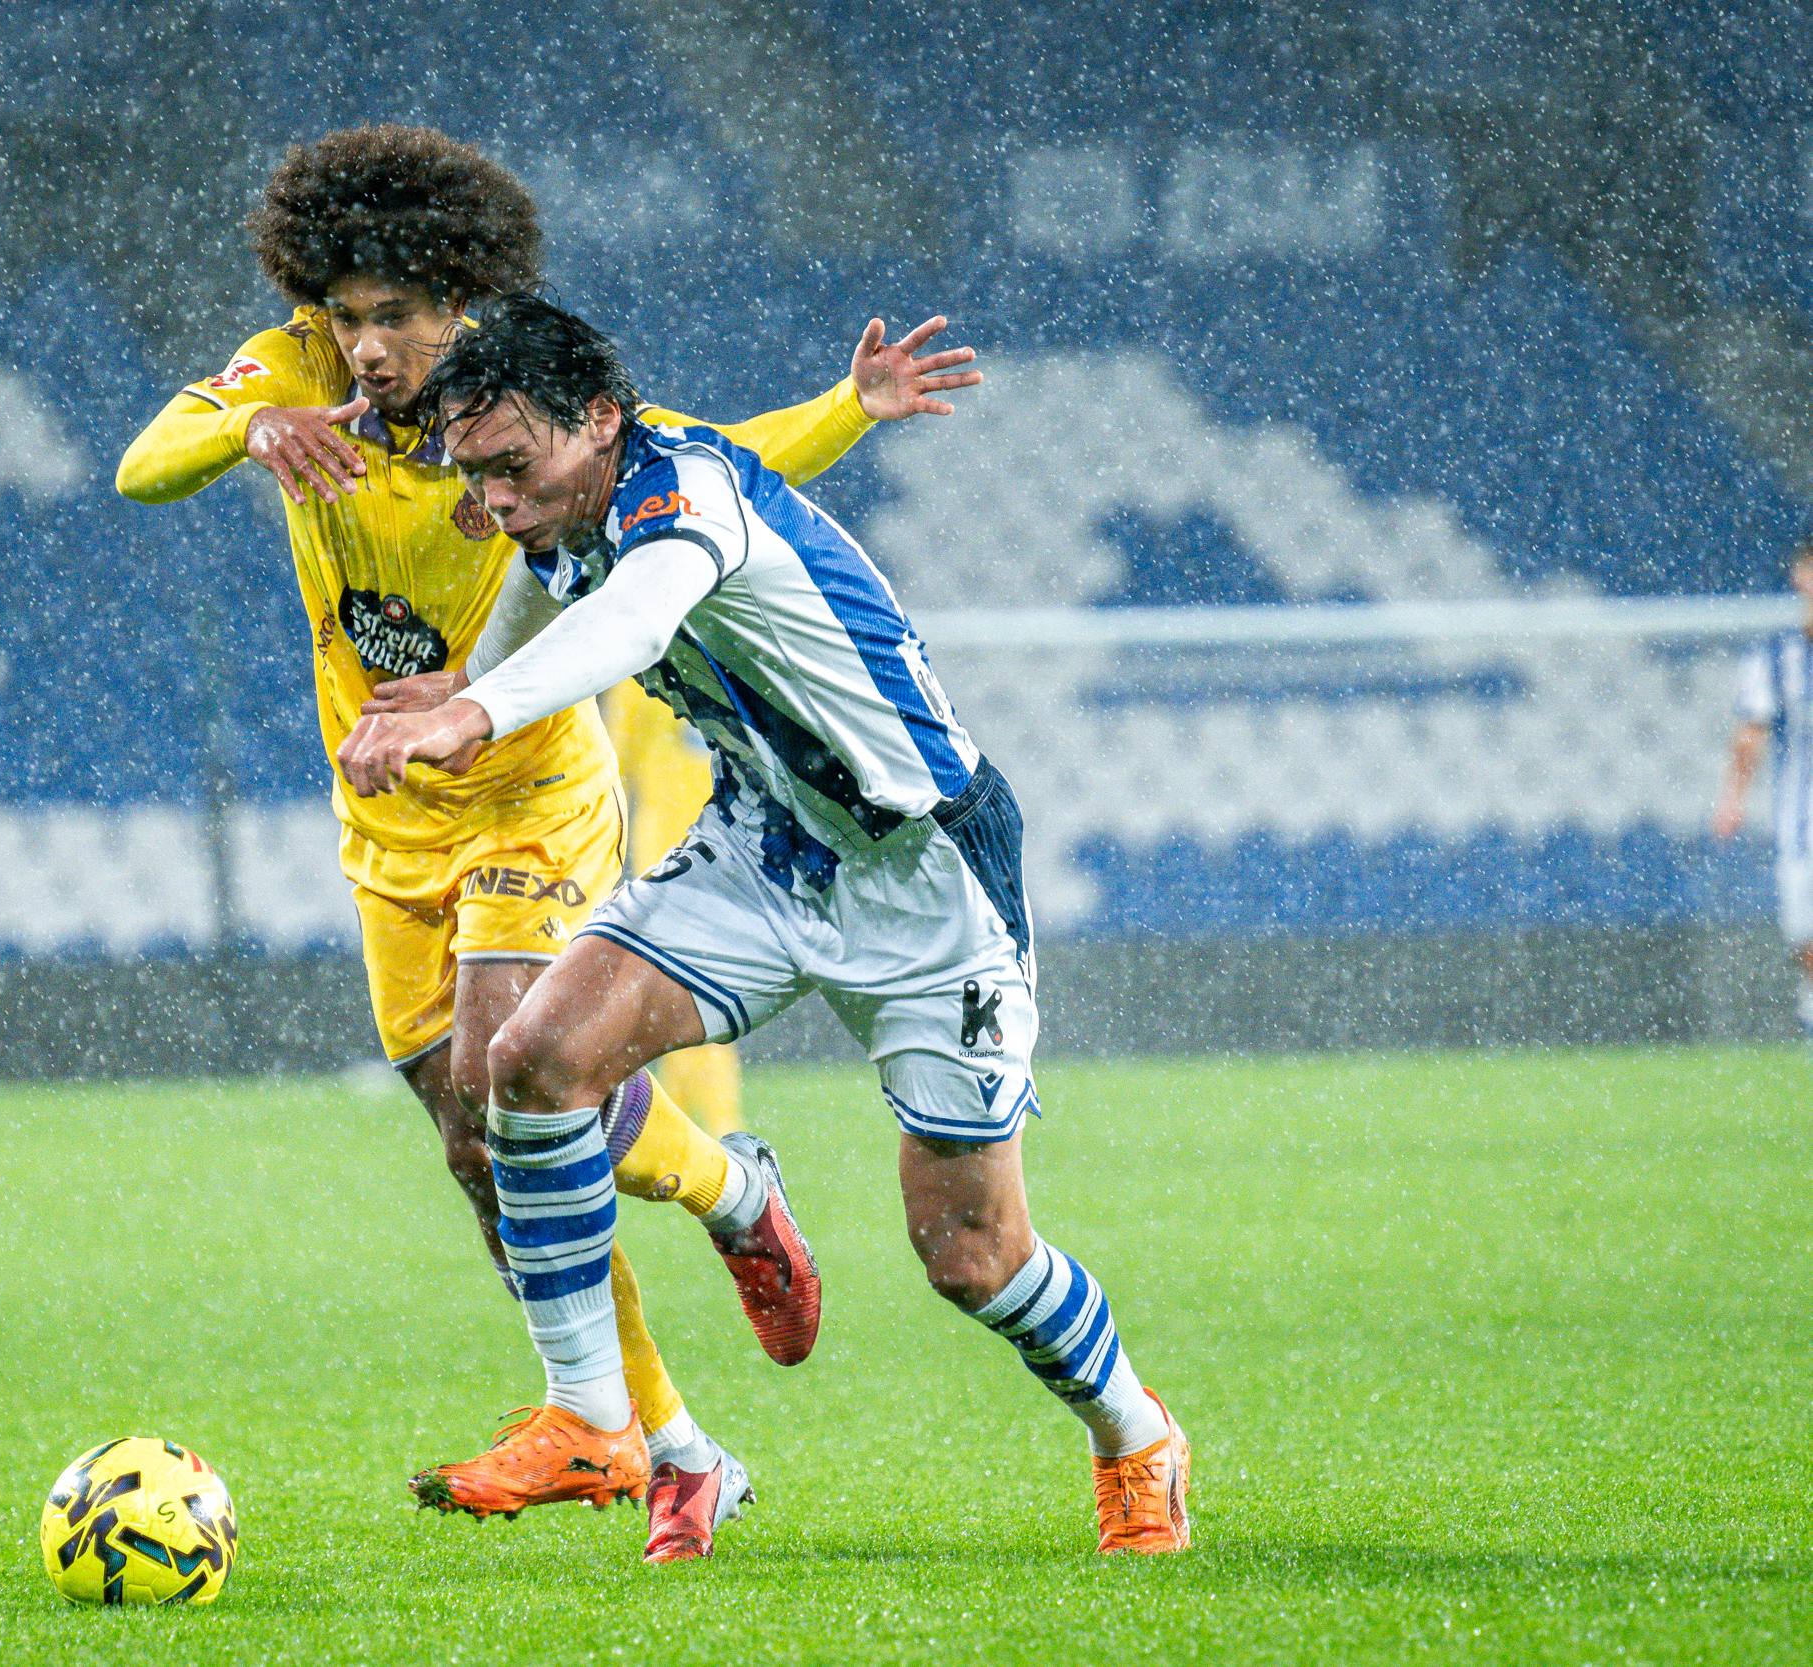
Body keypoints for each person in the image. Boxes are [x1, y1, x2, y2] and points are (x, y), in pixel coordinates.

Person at [114, 125, 982, 1560]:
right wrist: (248, 426)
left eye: (398, 314)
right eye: (351, 315)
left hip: (529, 792)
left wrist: (850, 405)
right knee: (480, 1145)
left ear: (461, 297)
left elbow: (712, 463)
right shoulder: (294, 377)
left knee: (502, 1074)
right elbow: (147, 464)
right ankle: (682, 1437)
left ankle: (681, 1268)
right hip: (387, 816)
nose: (372, 346)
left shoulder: (510, 395)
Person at [341, 294, 1193, 1556]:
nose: (501, 502)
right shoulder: (558, 515)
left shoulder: (684, 498)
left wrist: (472, 720)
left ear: (600, 420)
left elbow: (630, 619)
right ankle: (591, 1414)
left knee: (968, 1254)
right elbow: (544, 583)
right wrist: (470, 676)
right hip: (762, 848)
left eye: (515, 467)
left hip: (924, 879)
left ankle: (1135, 1437)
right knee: (527, 1062)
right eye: (477, 476)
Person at [605, 686, 745, 1134]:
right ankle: (698, 1122)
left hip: (668, 849)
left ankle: (705, 1125)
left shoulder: (634, 669)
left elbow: (615, 763)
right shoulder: (719, 650)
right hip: (731, 840)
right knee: (709, 980)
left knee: (680, 984)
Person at [1712, 539, 1813, 1041]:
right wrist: (1732, 800)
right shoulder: (1776, 658)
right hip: (1803, 826)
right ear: (1800, 578)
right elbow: (1749, 736)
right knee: (1805, 935)